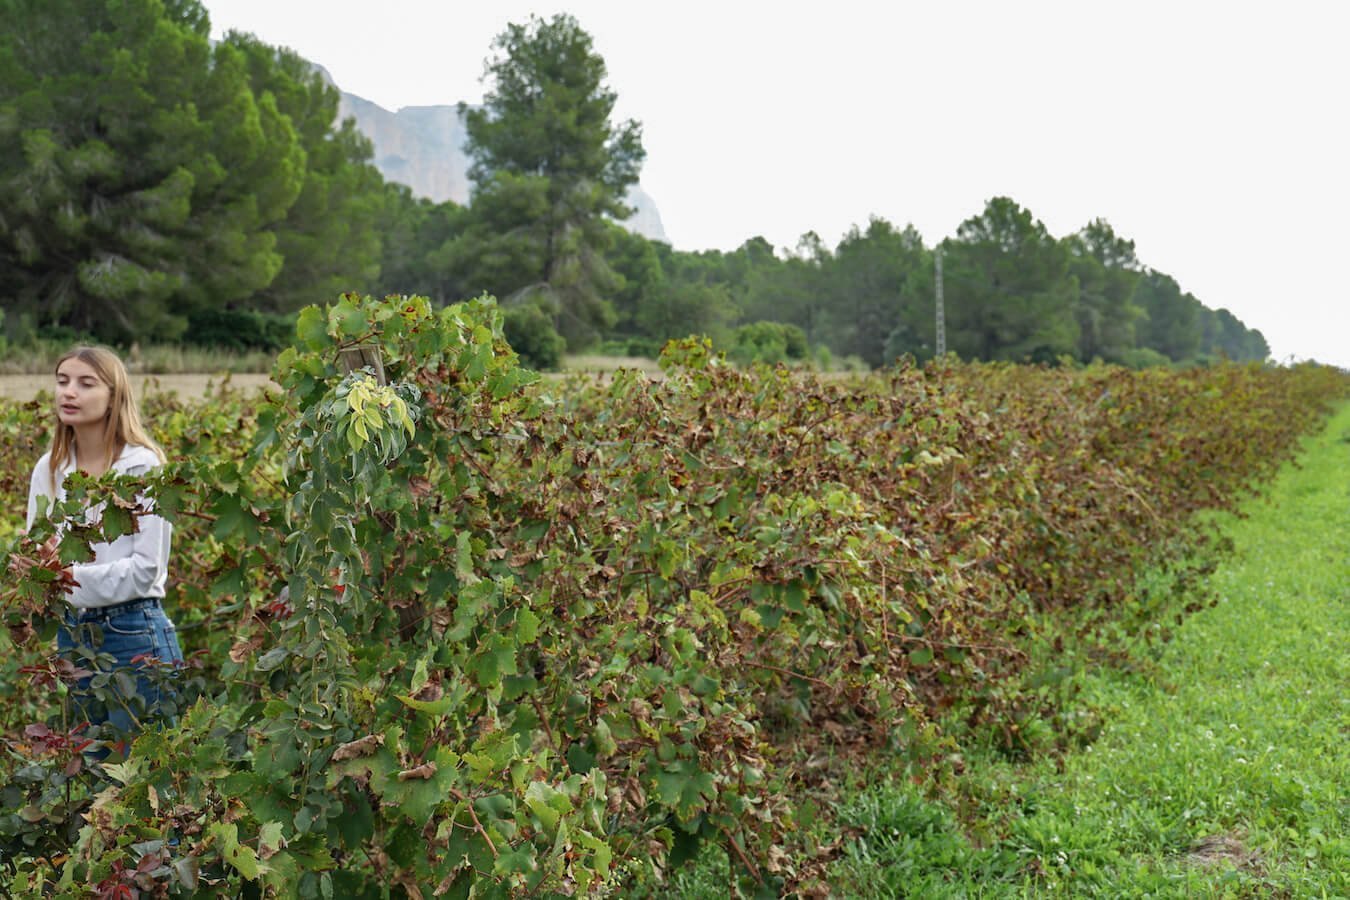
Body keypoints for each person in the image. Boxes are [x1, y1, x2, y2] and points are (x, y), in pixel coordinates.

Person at [22, 346, 183, 743]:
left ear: (114, 396)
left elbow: (148, 570)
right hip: (72, 635)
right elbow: (38, 550)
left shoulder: (142, 467)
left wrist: (68, 576)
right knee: (90, 771)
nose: (68, 393)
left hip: (133, 631)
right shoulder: (51, 467)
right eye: (62, 382)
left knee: (147, 772)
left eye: (85, 383)